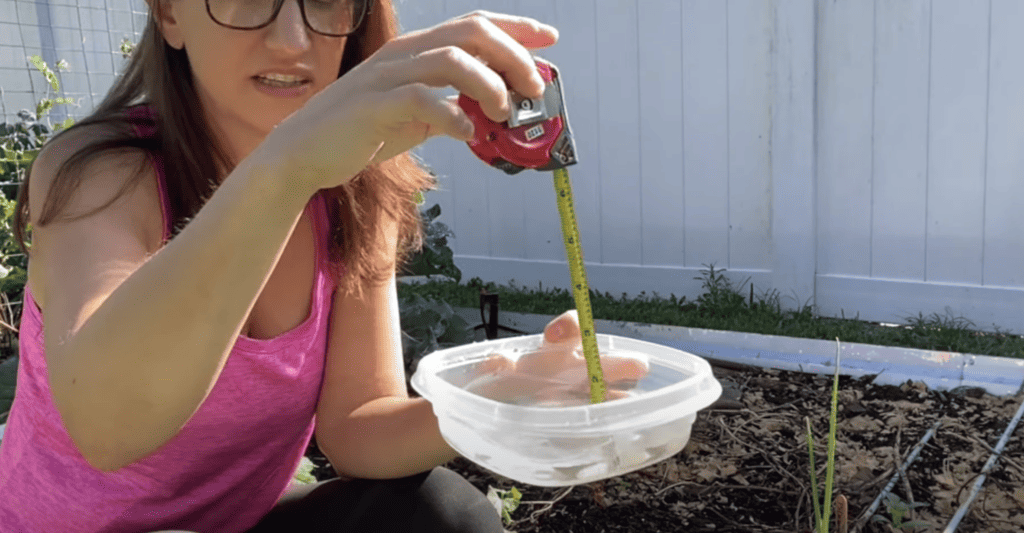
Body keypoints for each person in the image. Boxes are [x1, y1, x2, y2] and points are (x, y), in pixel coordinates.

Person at [0, 0, 644, 531]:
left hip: (244, 522)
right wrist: (287, 169)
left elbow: (358, 428)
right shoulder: (101, 175)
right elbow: (107, 425)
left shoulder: (353, 188)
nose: (291, 38)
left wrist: (505, 400)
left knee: (442, 515)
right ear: (169, 14)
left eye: (327, 1)